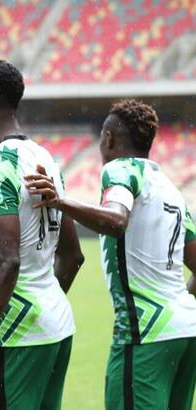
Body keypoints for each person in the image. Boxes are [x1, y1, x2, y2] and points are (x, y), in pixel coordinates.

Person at [25, 99, 196, 410]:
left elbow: (116, 221)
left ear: (108, 138)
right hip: (187, 330)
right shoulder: (171, 188)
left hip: (146, 333)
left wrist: (60, 201)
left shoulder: (119, 169)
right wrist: (178, 306)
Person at [0, 59, 84, 409]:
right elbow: (73, 255)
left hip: (14, 336)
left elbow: (6, 259)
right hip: (55, 327)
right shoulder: (45, 158)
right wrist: (44, 305)